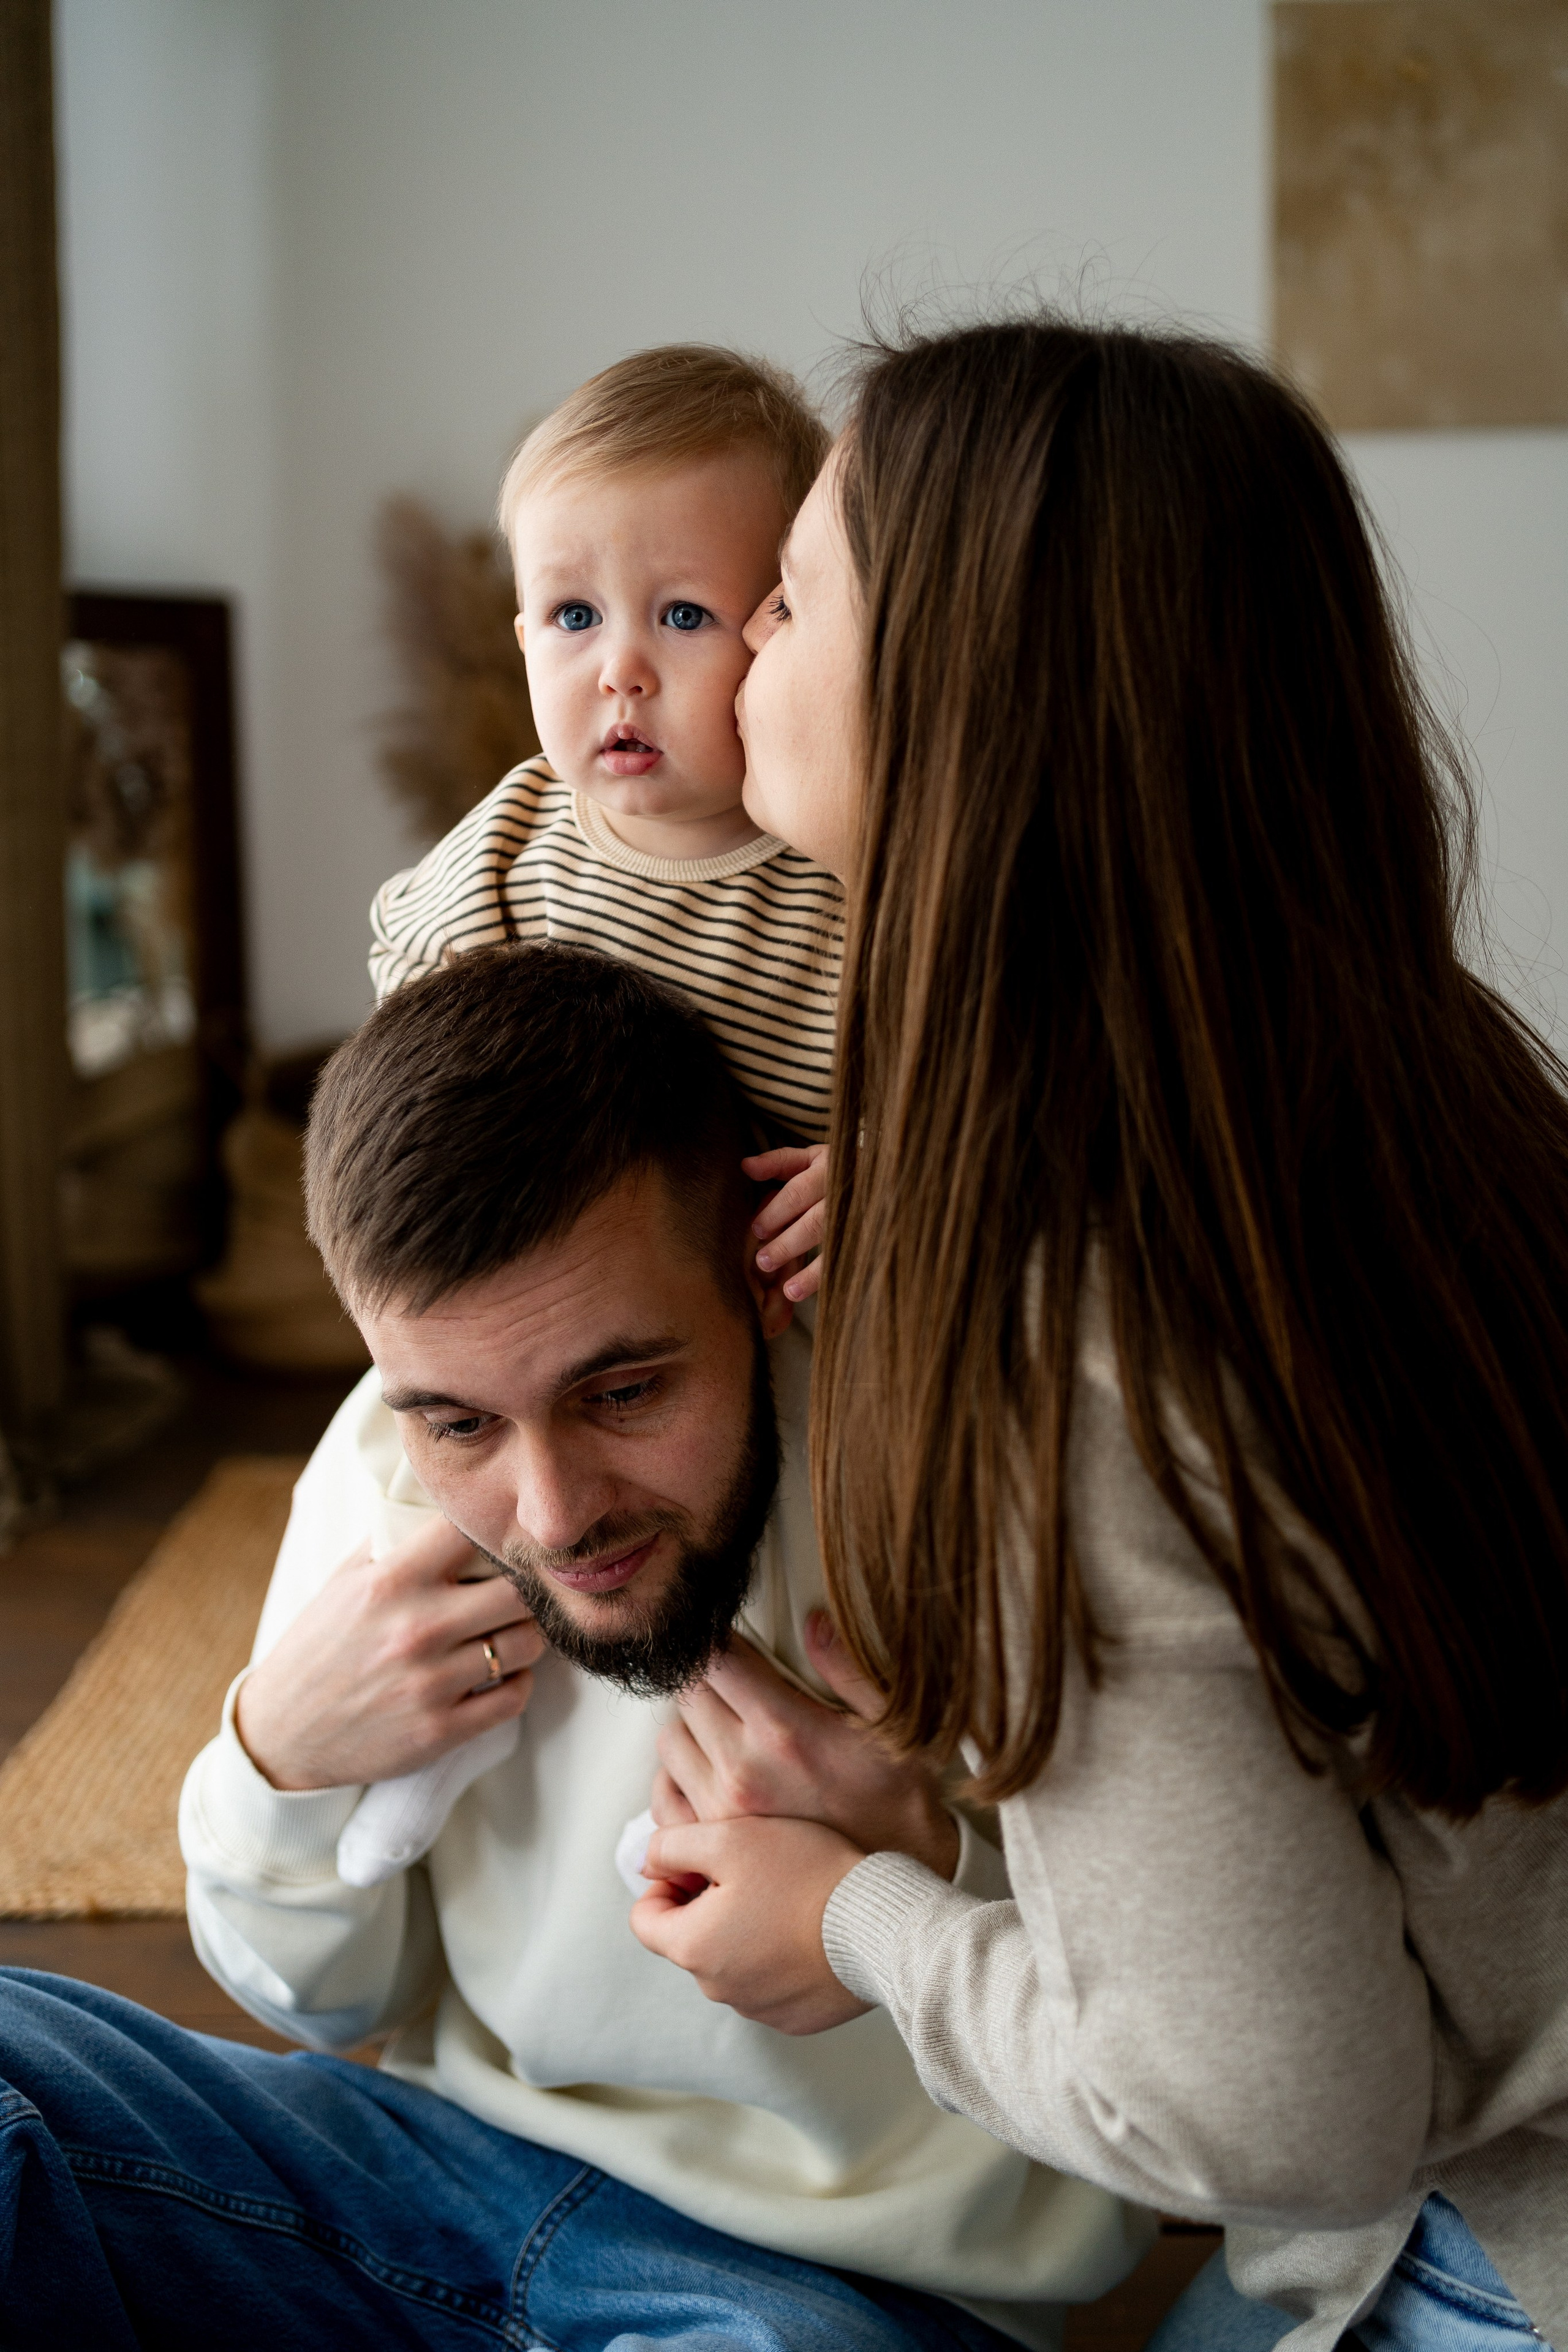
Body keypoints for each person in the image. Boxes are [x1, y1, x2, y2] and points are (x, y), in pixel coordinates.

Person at [629, 318, 1568, 2352]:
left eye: (789, 599)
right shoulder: (1443, 1083)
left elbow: (1277, 2115)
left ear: (973, 709)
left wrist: (862, 1921)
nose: (730, 660)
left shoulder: (1086, 1352)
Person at [0, 944, 1147, 2350]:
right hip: (421, 2182)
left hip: (833, 2293)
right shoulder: (381, 1469)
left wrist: (924, 1885)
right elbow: (324, 2002)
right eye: (459, 1421)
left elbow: (1192, 2058)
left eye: (621, 1389)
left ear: (756, 1277)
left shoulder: (985, 1470)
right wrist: (273, 1760)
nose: (550, 1518)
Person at [347, 342, 837, 1883]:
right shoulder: (512, 842)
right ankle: (423, 1767)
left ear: (787, 633)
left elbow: (977, 1079)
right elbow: (412, 1034)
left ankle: (749, 1780)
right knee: (425, 1478)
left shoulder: (839, 881)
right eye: (572, 618)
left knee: (810, 1536)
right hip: (553, 1293)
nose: (618, 669)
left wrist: (888, 1173)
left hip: (789, 1304)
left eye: (682, 616)